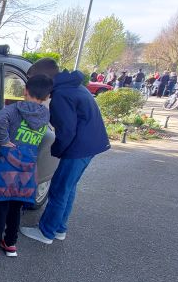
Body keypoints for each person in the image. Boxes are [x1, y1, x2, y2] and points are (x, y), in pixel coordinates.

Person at [19, 59, 110, 244]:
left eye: (32, 79)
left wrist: (57, 151)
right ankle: (59, 228)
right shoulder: (74, 86)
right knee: (68, 189)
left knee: (59, 189)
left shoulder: (61, 95)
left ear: (44, 77)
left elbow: (66, 131)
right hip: (89, 145)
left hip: (78, 148)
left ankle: (46, 232)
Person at [0, 75, 53, 261]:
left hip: (8, 165)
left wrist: (4, 141)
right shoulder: (45, 113)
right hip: (27, 168)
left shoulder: (14, 110)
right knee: (16, 207)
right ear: (47, 96)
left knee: (0, 206)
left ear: (25, 91)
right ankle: (10, 244)